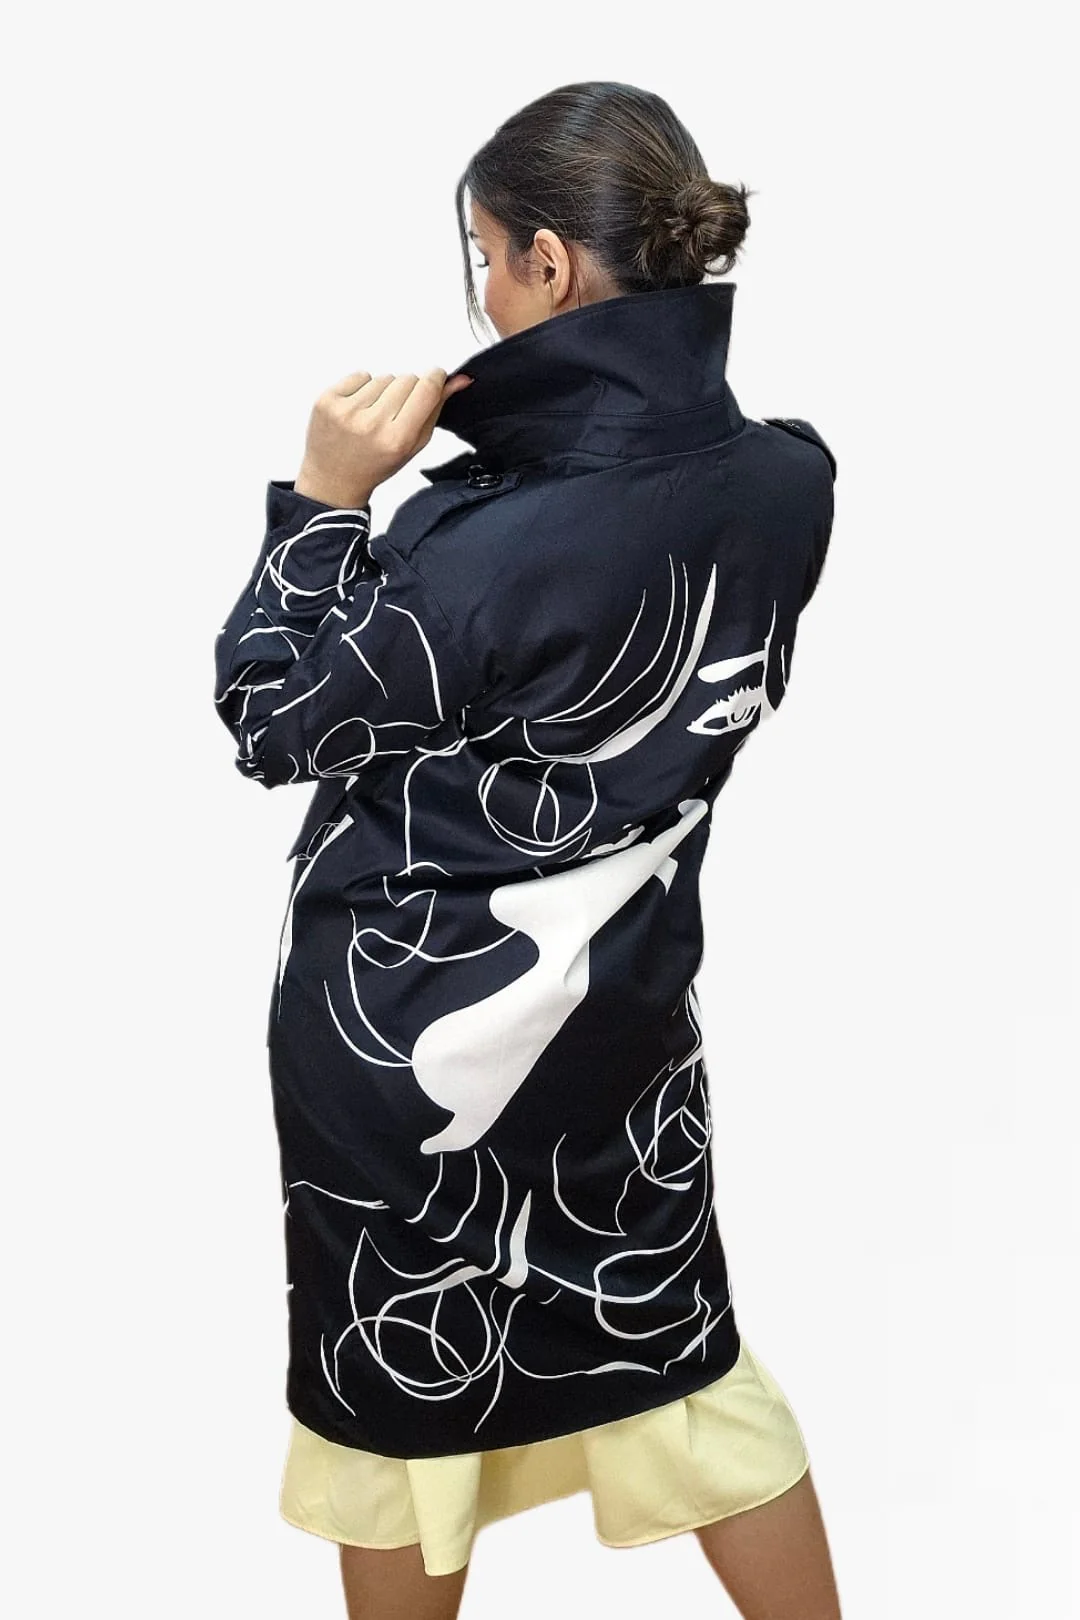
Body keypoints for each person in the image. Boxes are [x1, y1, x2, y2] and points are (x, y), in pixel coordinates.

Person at [213, 80, 842, 1620]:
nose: (483, 296)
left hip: (399, 1052)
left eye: (486, 260)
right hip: (621, 1025)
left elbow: (270, 719)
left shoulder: (478, 549)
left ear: (550, 265)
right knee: (687, 1368)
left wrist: (323, 500)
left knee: (395, 1419)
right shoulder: (791, 482)